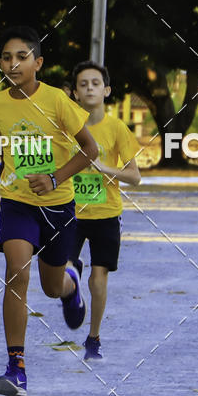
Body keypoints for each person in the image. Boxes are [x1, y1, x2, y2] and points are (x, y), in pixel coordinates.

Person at [0, 26, 98, 396]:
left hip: (58, 207)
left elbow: (90, 150)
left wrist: (56, 178)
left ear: (38, 63)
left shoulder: (58, 101)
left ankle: (70, 286)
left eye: (21, 57)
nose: (13, 63)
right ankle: (16, 368)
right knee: (16, 272)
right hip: (17, 202)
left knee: (50, 285)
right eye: (6, 57)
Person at [70, 60, 141, 361]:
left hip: (106, 214)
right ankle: (73, 294)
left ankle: (93, 338)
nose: (89, 88)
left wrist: (104, 168)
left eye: (95, 83)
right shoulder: (65, 127)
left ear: (107, 90)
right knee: (63, 270)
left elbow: (135, 177)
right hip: (70, 213)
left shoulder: (117, 128)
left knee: (98, 279)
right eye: (83, 84)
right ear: (74, 93)